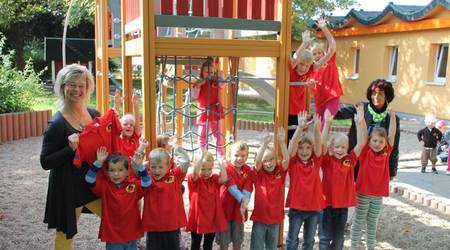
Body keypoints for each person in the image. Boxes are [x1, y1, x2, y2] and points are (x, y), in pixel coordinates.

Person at [40, 64, 101, 249]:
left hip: (91, 184)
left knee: (117, 214)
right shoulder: (57, 123)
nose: (77, 89)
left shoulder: (93, 114)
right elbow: (45, 162)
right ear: (63, 87)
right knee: (64, 238)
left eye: (81, 85)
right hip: (67, 189)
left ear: (88, 87)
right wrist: (69, 148)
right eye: (72, 85)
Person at [84, 139, 150, 250]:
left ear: (127, 171)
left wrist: (140, 167)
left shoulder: (133, 186)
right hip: (113, 236)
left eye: (120, 170)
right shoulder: (105, 186)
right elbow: (89, 180)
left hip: (131, 235)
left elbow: (147, 183)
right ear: (107, 172)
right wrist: (98, 163)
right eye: (112, 170)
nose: (116, 173)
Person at [334, 79, 400, 180]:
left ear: (387, 96)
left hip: (375, 165)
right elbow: (338, 114)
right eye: (373, 93)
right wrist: (329, 103)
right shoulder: (360, 108)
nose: (376, 97)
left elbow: (394, 145)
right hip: (356, 160)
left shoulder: (392, 117)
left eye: (380, 94)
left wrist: (392, 171)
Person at [350, 106, 396, 250]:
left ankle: (371, 247)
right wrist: (361, 119)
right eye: (374, 141)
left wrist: (393, 118)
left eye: (381, 142)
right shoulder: (365, 151)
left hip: (377, 196)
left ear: (385, 144)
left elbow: (392, 135)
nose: (377, 144)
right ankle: (354, 247)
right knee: (358, 221)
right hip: (363, 193)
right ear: (369, 142)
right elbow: (363, 134)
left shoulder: (386, 152)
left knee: (372, 223)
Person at [319, 107, 365, 250]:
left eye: (343, 147)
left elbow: (361, 144)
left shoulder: (349, 160)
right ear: (331, 148)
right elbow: (321, 143)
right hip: (327, 206)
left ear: (347, 148)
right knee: (325, 238)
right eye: (337, 147)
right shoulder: (327, 160)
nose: (340, 150)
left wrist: (359, 123)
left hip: (342, 207)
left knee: (338, 240)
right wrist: (327, 123)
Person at [288, 17, 335, 140]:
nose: (303, 68)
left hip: (300, 111)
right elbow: (295, 59)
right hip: (287, 109)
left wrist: (324, 28)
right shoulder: (292, 69)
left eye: (307, 65)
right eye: (301, 64)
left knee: (299, 140)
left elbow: (331, 50)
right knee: (288, 138)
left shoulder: (309, 70)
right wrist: (304, 44)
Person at [285, 112, 325, 250]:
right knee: (292, 238)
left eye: (308, 147)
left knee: (309, 240)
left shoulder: (316, 160)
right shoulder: (293, 163)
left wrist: (317, 129)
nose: (304, 151)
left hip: (314, 208)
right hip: (296, 208)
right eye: (301, 148)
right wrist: (300, 128)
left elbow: (319, 144)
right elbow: (291, 149)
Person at [142, 146, 190, 250]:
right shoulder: (147, 179)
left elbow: (185, 162)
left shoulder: (174, 176)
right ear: (149, 166)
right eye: (153, 167)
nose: (157, 170)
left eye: (160, 167)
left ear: (168, 165)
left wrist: (177, 148)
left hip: (172, 225)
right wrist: (143, 165)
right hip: (153, 226)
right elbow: (136, 169)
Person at [249, 128, 289, 250]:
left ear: (275, 160)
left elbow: (287, 160)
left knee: (271, 247)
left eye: (271, 159)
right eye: (265, 161)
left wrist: (282, 142)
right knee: (257, 246)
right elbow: (257, 162)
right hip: (260, 218)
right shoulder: (259, 174)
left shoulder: (279, 172)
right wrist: (264, 143)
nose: (268, 163)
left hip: (275, 219)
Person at [186, 151, 228, 250]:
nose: (206, 172)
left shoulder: (213, 179)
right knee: (195, 244)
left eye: (209, 169)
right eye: (203, 169)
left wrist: (221, 164)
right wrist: (200, 159)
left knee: (208, 245)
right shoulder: (195, 181)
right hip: (198, 219)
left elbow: (224, 179)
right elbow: (195, 173)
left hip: (212, 219)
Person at [216, 141, 253, 250]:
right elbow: (231, 186)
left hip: (238, 211)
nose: (239, 158)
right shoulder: (225, 168)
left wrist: (244, 203)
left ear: (247, 157)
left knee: (237, 241)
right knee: (224, 242)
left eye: (243, 156)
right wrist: (243, 199)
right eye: (236, 155)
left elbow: (248, 186)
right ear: (229, 155)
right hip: (225, 209)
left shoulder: (247, 170)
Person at [192, 58, 226, 158]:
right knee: (202, 136)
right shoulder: (199, 83)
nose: (209, 74)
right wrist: (198, 85)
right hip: (204, 112)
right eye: (207, 72)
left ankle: (220, 155)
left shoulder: (216, 82)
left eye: (211, 72)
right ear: (202, 72)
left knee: (218, 136)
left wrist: (219, 72)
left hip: (215, 111)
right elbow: (195, 96)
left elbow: (223, 83)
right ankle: (203, 154)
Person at [311, 18, 343, 120]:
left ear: (323, 53)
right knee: (318, 125)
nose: (317, 55)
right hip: (319, 100)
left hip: (332, 96)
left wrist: (324, 28)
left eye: (319, 52)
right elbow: (312, 88)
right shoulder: (311, 69)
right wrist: (310, 84)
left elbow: (332, 44)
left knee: (326, 122)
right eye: (314, 54)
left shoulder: (329, 60)